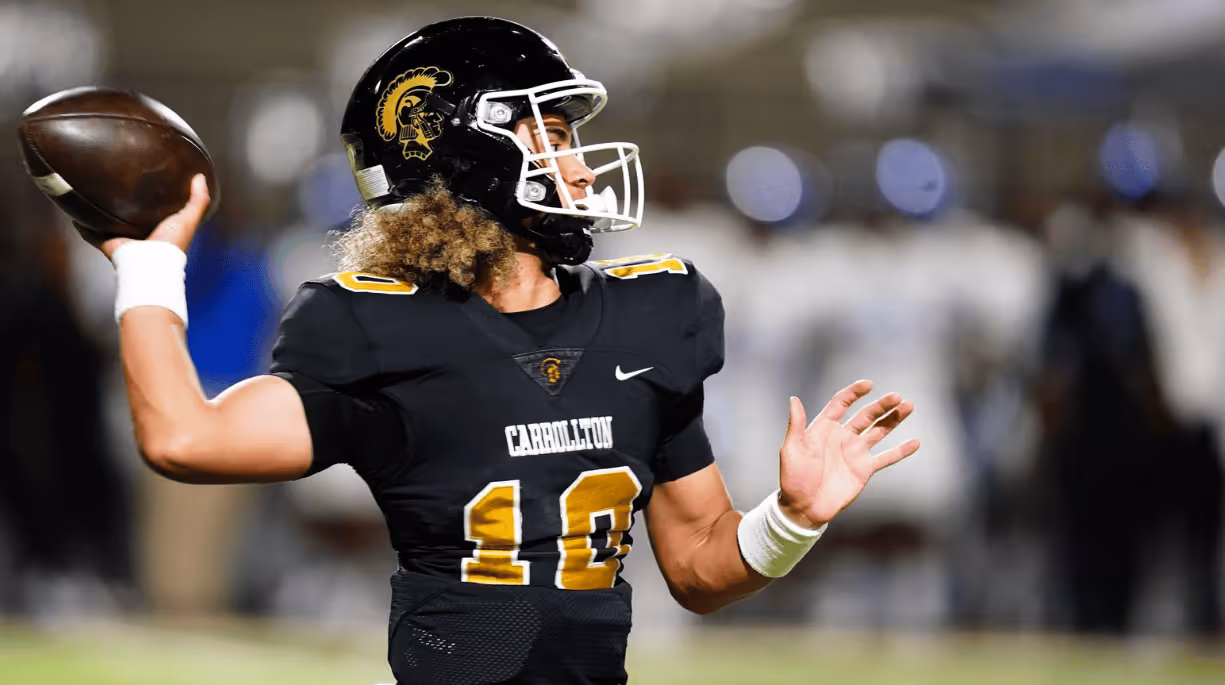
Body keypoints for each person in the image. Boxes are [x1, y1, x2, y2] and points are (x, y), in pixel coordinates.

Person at [77, 17, 919, 684]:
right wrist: (147, 261)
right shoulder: (375, 327)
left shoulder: (648, 315)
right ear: (464, 153)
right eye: (549, 133)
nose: (580, 166)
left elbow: (699, 566)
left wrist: (790, 518)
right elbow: (183, 437)